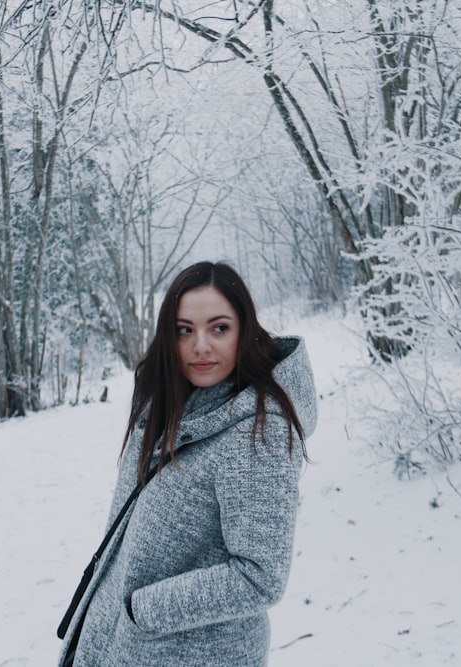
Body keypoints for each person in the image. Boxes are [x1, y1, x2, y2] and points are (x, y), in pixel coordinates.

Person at [57, 261, 317, 667]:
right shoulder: (173, 407)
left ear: (243, 331)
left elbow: (259, 576)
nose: (201, 346)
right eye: (185, 329)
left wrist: (142, 609)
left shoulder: (256, 435)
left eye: (219, 328)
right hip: (125, 643)